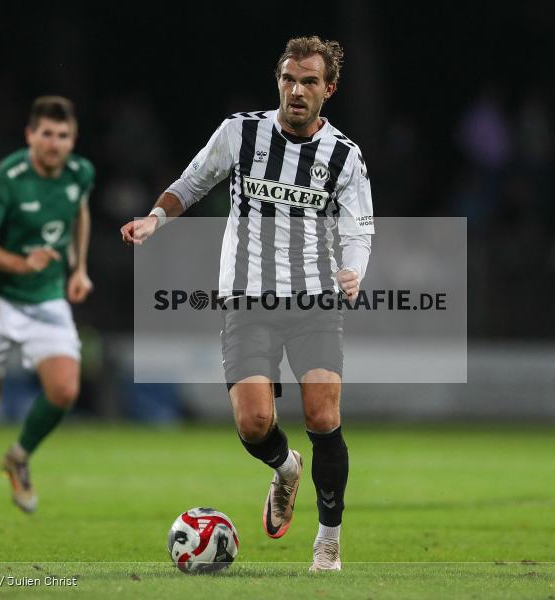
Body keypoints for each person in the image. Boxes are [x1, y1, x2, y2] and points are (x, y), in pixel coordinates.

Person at [121, 36, 374, 571]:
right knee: (255, 423)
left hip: (315, 300)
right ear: (277, 79)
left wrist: (354, 270)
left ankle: (328, 539)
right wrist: (154, 219)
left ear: (329, 89)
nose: (297, 90)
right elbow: (191, 183)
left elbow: (359, 229)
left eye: (309, 81)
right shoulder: (240, 133)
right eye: (288, 78)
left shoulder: (344, 156)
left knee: (323, 412)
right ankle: (285, 468)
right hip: (248, 298)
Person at [0, 96, 95, 522]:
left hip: (45, 296)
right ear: (30, 136)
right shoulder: (8, 178)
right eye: (46, 134)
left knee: (64, 389)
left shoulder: (81, 173)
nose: (54, 143)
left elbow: (79, 211)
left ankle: (19, 456)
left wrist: (78, 268)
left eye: (63, 136)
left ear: (73, 139)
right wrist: (19, 263)